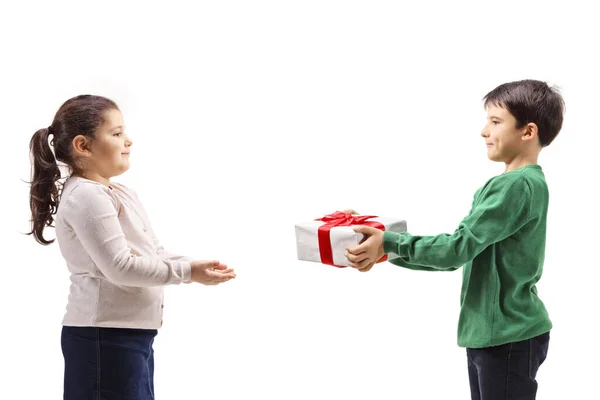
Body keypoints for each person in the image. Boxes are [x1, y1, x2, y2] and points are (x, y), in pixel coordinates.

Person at [344, 80, 564, 399]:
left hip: (507, 337)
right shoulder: (523, 183)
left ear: (527, 132)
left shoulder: (514, 186)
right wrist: (383, 246)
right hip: (496, 335)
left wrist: (389, 244)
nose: (484, 131)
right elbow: (459, 253)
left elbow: (454, 249)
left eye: (495, 121)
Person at [27, 94, 236, 399]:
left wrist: (194, 266)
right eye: (117, 133)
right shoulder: (87, 196)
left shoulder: (118, 193)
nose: (128, 141)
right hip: (104, 337)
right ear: (83, 146)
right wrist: (187, 272)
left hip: (127, 335)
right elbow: (120, 267)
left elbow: (153, 251)